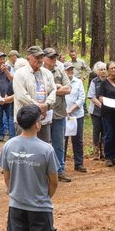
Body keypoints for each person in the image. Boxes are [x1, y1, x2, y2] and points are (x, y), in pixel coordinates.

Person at [1, 104, 59, 231]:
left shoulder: (8, 145)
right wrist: (43, 197)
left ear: (18, 123)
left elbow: (6, 176)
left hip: (16, 207)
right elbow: (53, 181)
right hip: (40, 208)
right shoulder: (46, 149)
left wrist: (15, 193)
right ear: (37, 125)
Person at [12, 46, 57, 143]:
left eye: (41, 57)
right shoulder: (20, 74)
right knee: (24, 149)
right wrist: (38, 108)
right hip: (25, 119)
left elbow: (53, 90)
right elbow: (21, 96)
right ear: (28, 57)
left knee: (43, 147)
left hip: (43, 119)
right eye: (36, 57)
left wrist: (47, 104)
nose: (40, 60)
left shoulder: (47, 73)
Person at [43, 48, 73, 182]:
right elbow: (42, 91)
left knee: (59, 143)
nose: (53, 59)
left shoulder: (60, 70)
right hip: (44, 113)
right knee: (43, 144)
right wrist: (57, 87)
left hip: (59, 112)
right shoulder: (40, 72)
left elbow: (68, 89)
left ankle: (59, 170)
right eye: (50, 57)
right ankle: (44, 171)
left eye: (55, 57)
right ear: (44, 58)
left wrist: (53, 89)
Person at [63, 63, 87, 173]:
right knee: (63, 140)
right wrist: (65, 110)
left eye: (71, 69)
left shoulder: (78, 82)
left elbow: (82, 98)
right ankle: (61, 164)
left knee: (78, 140)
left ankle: (79, 163)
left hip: (77, 115)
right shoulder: (60, 82)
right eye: (68, 70)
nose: (70, 71)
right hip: (63, 115)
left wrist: (72, 108)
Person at [0, 52, 16, 141]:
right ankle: (0, 135)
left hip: (8, 97)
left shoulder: (9, 68)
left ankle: (11, 135)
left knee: (10, 117)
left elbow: (13, 80)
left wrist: (6, 71)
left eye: (4, 59)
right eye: (0, 59)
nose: (2, 61)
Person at [88, 62, 107, 161]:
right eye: (101, 70)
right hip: (95, 111)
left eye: (104, 69)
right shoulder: (94, 82)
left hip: (107, 111)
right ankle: (95, 151)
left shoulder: (109, 81)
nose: (103, 71)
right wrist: (101, 106)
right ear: (97, 71)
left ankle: (103, 151)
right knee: (96, 131)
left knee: (105, 131)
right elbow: (91, 96)